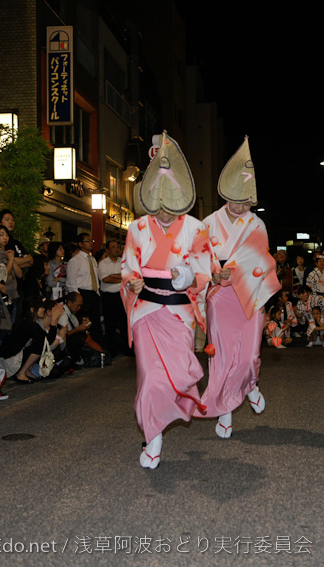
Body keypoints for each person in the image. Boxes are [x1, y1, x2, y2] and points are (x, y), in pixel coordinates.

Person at [121, 132, 213, 469]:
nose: (162, 211)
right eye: (156, 203)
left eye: (168, 203)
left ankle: (156, 428)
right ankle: (154, 438)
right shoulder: (136, 227)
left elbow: (205, 270)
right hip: (146, 310)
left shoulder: (195, 227)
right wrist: (132, 282)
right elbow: (128, 267)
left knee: (174, 374)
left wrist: (189, 276)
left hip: (178, 312)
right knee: (150, 375)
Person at [196, 137, 278, 438]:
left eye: (246, 201)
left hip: (250, 296)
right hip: (220, 298)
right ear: (225, 195)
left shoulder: (257, 225)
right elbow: (198, 259)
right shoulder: (207, 223)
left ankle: (250, 384)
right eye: (236, 199)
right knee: (222, 359)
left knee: (248, 357)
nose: (241, 206)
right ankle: (225, 414)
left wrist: (237, 271)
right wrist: (213, 273)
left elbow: (262, 262)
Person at [66, 232, 104, 351]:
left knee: (96, 324)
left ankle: (99, 349)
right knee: (83, 323)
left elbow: (95, 277)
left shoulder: (92, 259)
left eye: (90, 241)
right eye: (87, 241)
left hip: (93, 293)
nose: (90, 243)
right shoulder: (75, 260)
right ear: (80, 244)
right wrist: (77, 296)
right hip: (82, 293)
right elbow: (71, 282)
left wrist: (97, 292)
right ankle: (84, 350)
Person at [99, 239, 129, 357]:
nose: (117, 249)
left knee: (124, 323)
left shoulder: (123, 262)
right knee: (110, 324)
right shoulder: (103, 264)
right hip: (109, 296)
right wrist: (121, 277)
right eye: (113, 247)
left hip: (122, 296)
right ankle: (112, 350)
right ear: (107, 250)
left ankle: (126, 348)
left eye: (117, 247)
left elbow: (128, 276)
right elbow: (105, 279)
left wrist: (115, 277)